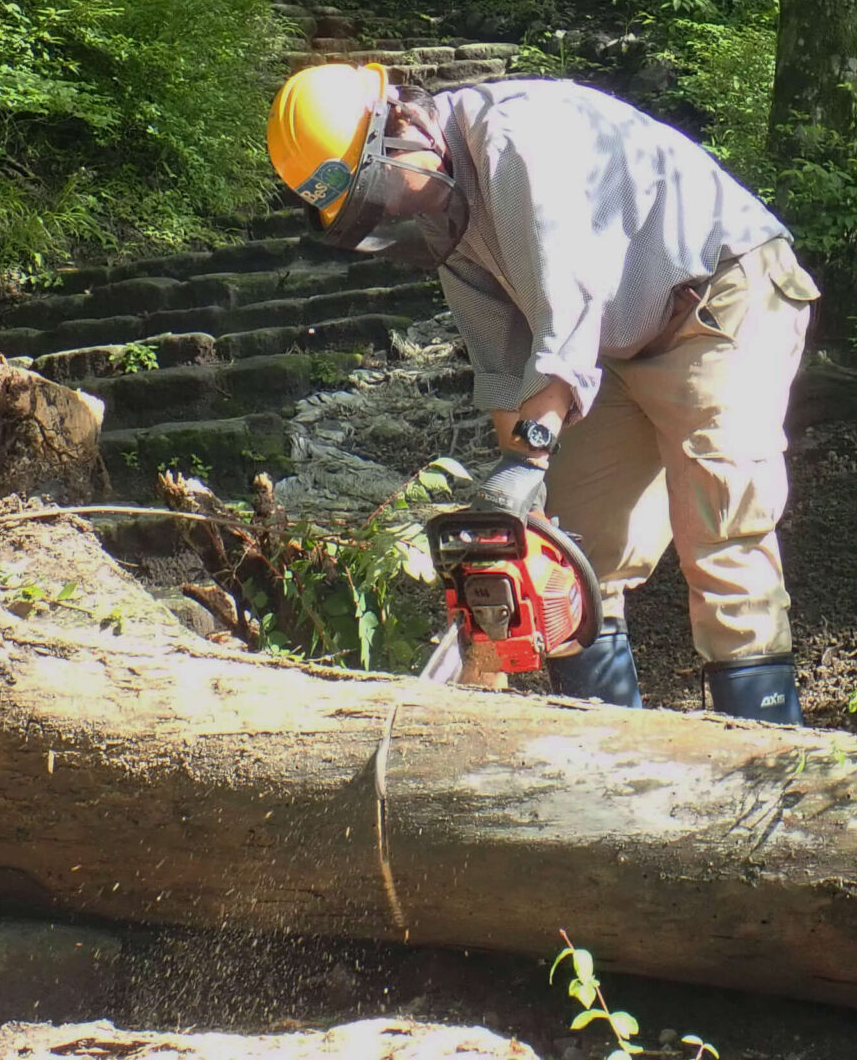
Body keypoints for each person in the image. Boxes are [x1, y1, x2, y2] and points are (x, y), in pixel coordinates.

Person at [265, 62, 819, 723]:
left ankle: (772, 765)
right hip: (612, 344)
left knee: (722, 528)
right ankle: (604, 774)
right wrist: (522, 508)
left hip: (722, 295)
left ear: (403, 125)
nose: (389, 213)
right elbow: (503, 363)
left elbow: (571, 303)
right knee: (574, 554)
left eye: (379, 191)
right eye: (367, 212)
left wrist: (532, 453)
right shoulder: (452, 219)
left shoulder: (514, 139)